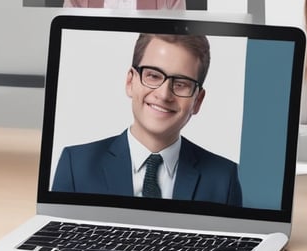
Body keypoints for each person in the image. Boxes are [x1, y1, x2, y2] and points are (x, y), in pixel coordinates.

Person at [52, 33, 243, 206]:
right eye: (153, 75)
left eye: (181, 84)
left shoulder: (224, 178)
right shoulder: (76, 166)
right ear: (130, 82)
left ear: (197, 101)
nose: (164, 94)